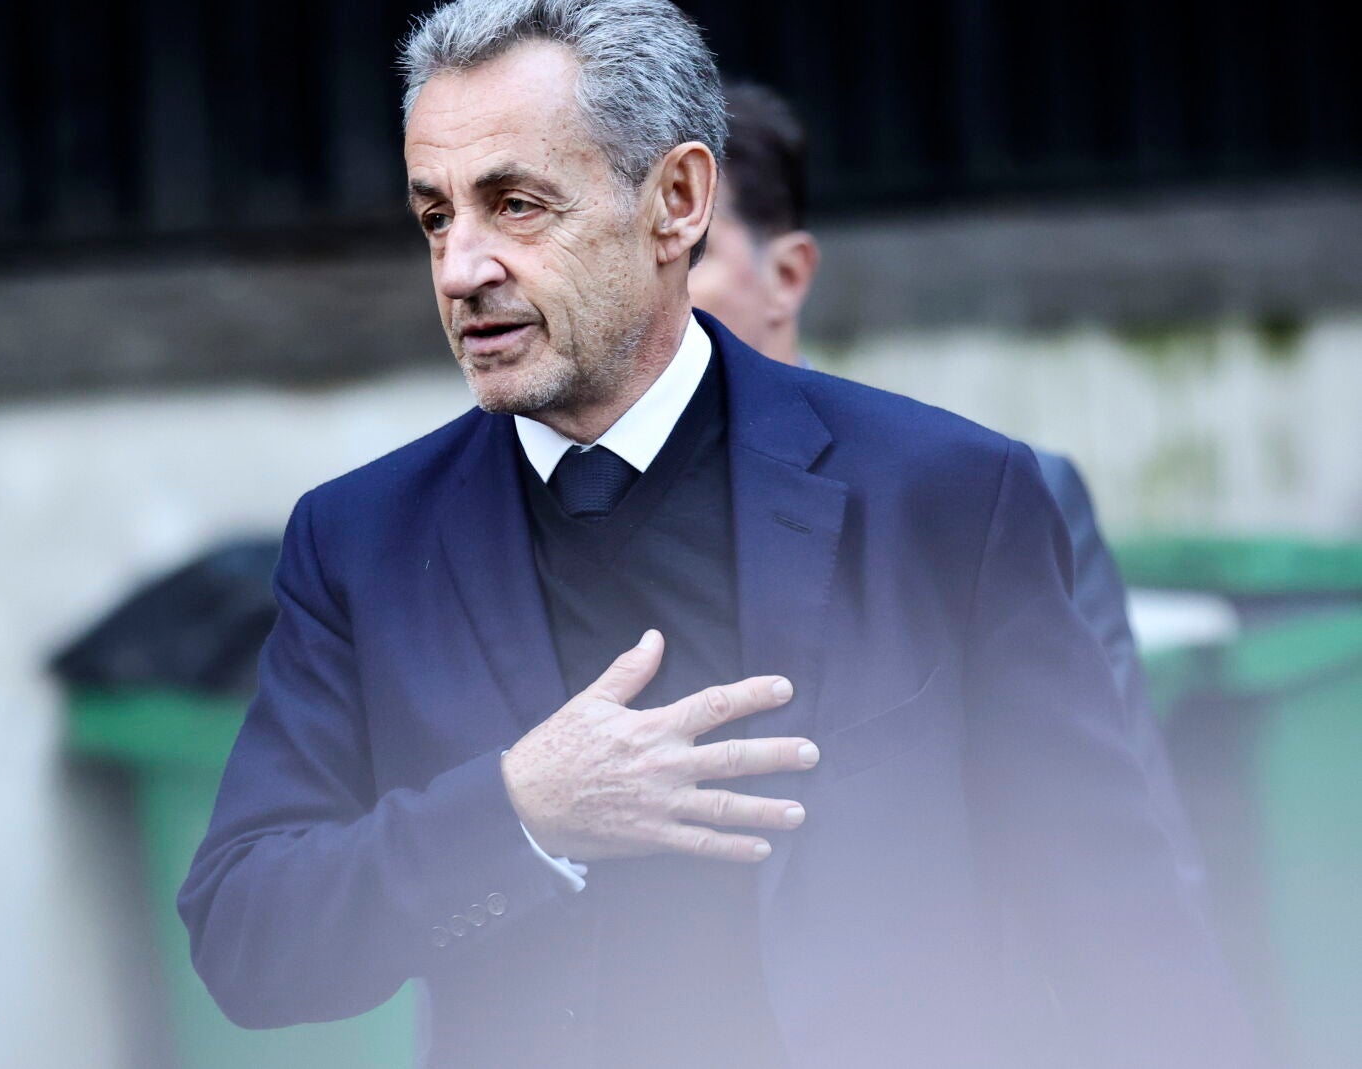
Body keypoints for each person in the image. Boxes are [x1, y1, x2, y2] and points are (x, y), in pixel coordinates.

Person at [179, 2, 1252, 1066]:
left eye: (515, 205)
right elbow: (244, 935)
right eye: (435, 216)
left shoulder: (944, 497)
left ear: (677, 201)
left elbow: (1125, 930)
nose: (461, 268)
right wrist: (517, 811)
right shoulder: (360, 541)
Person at [688, 82, 1205, 894]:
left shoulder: (977, 500)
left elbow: (1126, 854)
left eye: (692, 251)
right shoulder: (576, 512)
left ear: (786, 274)